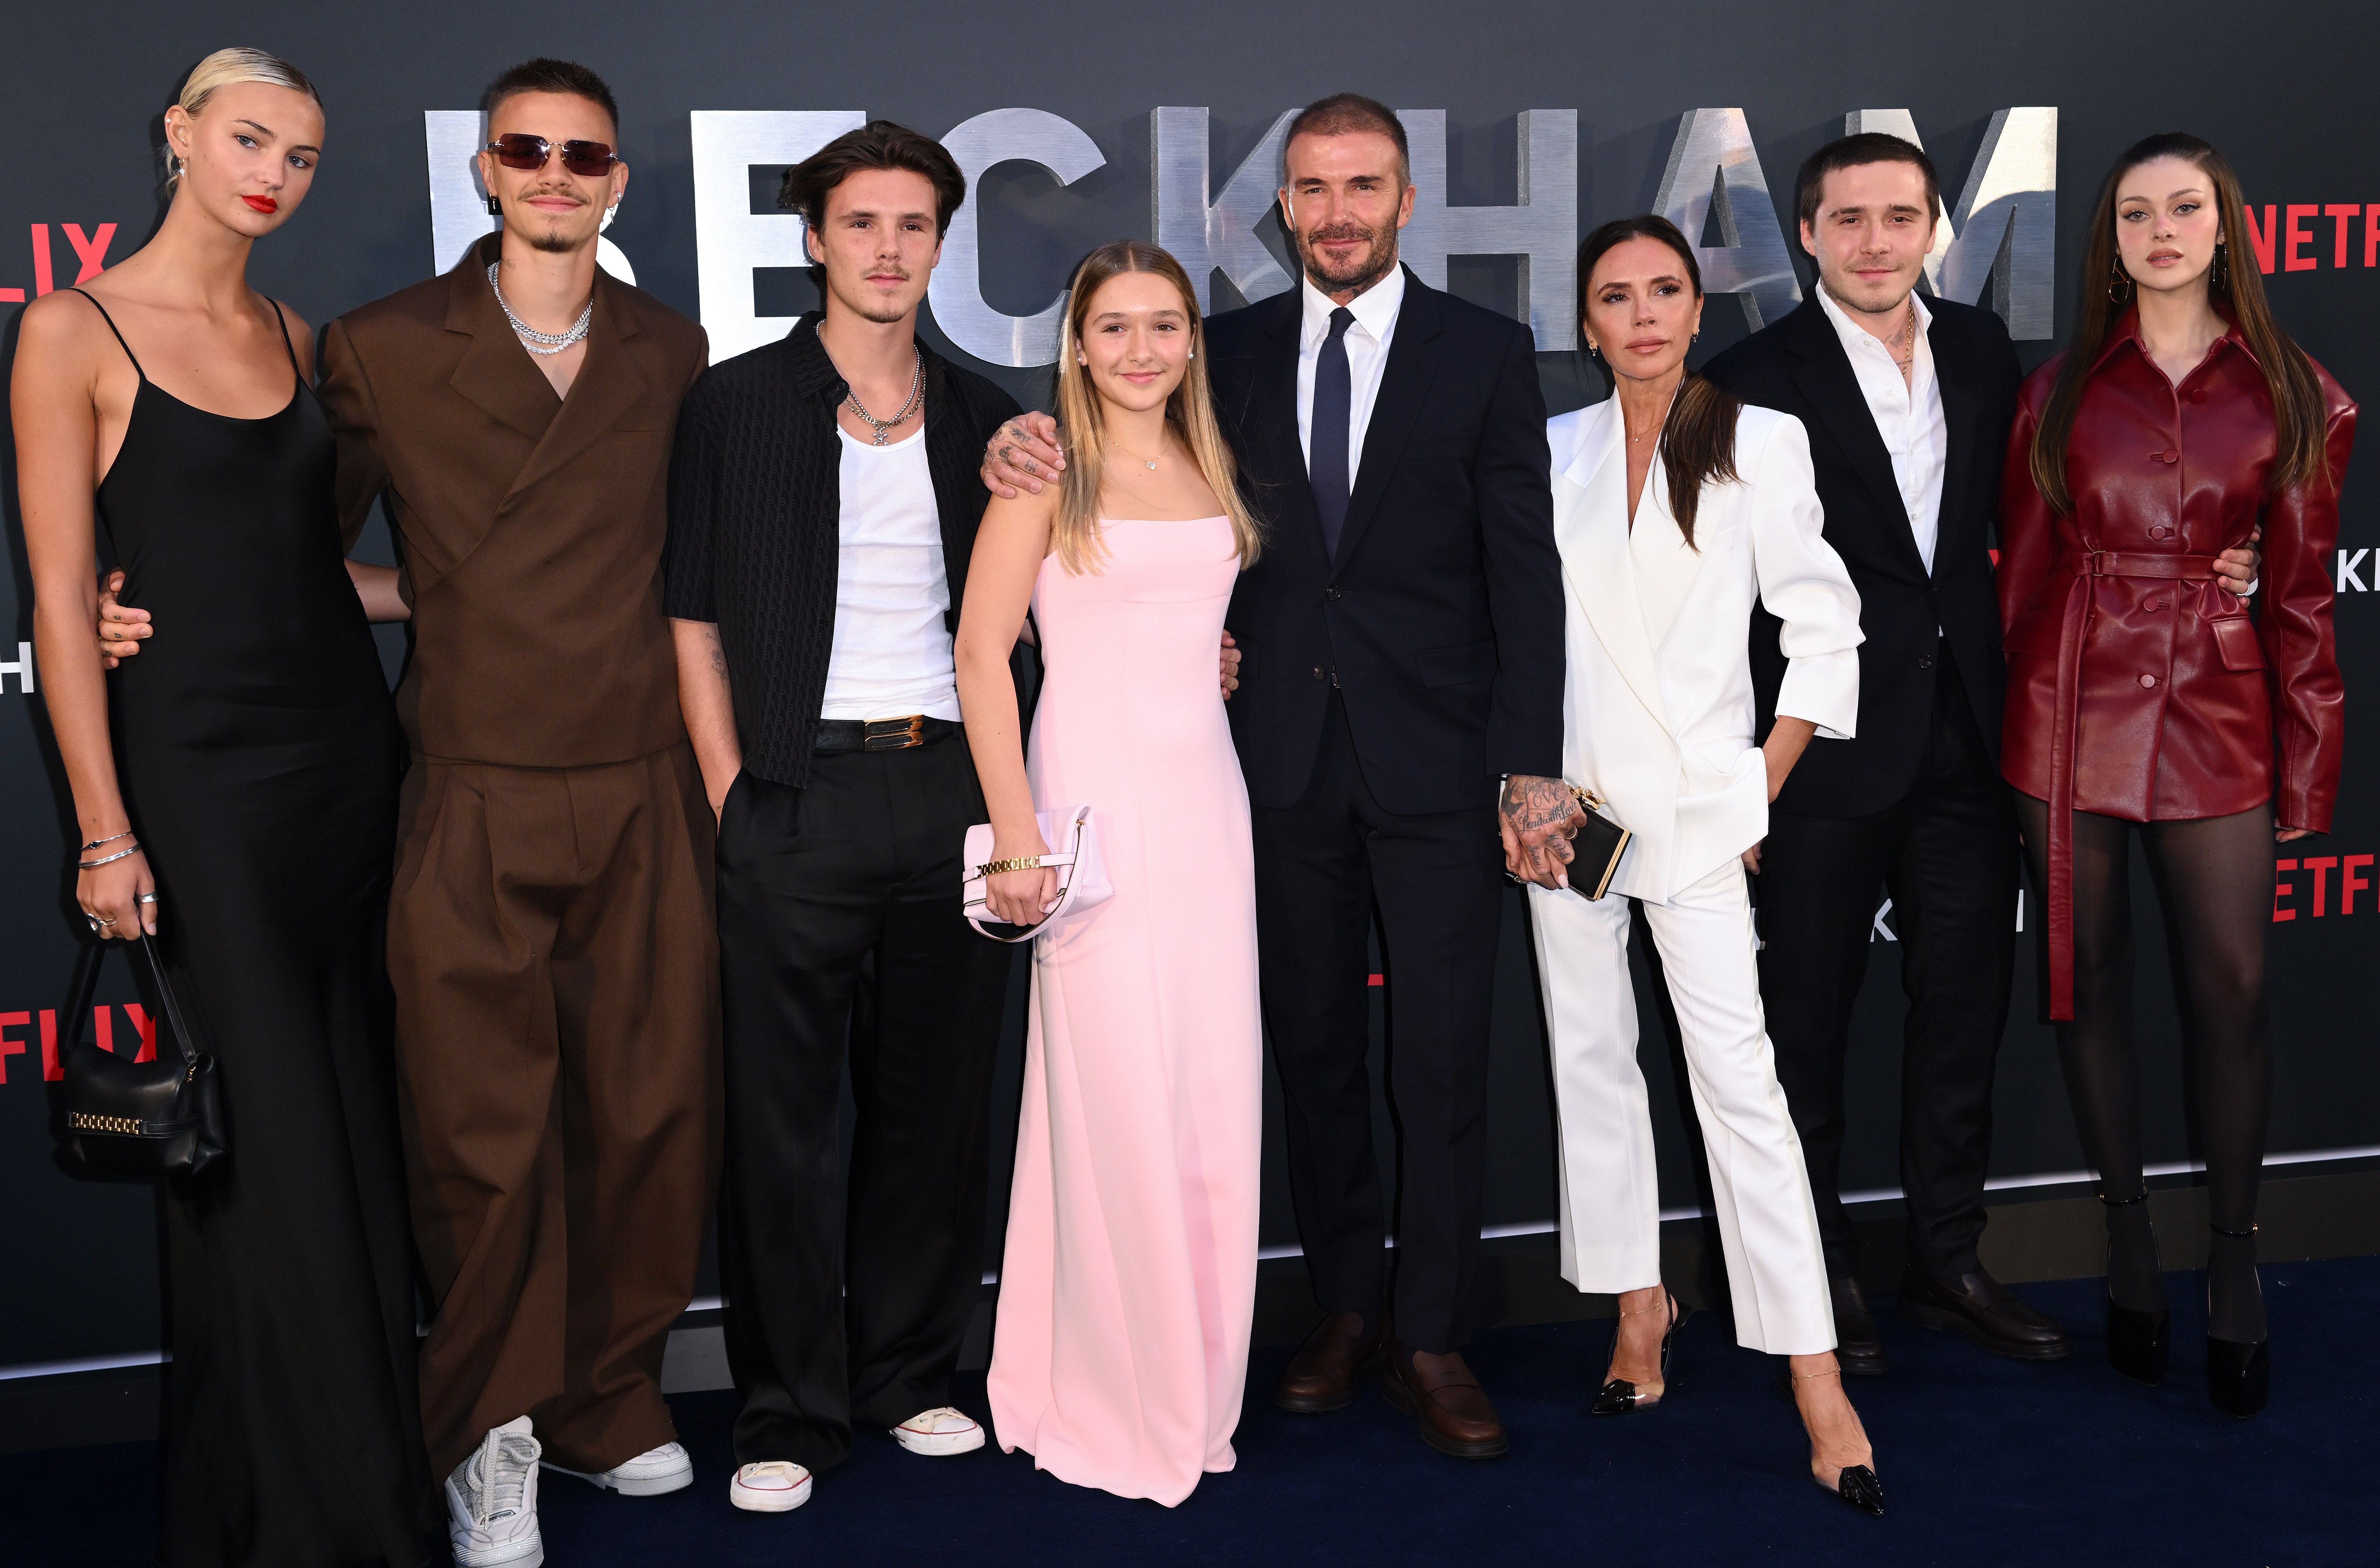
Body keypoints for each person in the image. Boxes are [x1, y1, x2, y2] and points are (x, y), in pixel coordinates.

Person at [100, 57, 716, 1568]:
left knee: (646, 1115)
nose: (558, 174)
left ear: (619, 181)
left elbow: (719, 557)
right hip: (466, 785)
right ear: (486, 174)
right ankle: (489, 1427)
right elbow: (293, 551)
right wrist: (144, 604)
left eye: (586, 155)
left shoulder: (673, 347)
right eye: (529, 151)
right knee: (482, 1134)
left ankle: (607, 1397)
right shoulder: (375, 349)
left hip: (640, 781)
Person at [983, 93, 1577, 1461]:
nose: (1338, 212)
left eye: (1363, 186)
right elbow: (1116, 468)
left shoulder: (1482, 354)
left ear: (1407, 199)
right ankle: (1345, 1311)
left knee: (1437, 1065)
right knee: (1310, 1056)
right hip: (1269, 776)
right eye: (1313, 189)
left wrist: (1528, 768)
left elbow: (1522, 576)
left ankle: (1431, 1333)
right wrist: (1005, 442)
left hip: (1438, 772)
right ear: (1283, 206)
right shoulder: (1221, 353)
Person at [1699, 132, 2255, 1374]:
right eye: (1849, 221)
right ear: (1806, 235)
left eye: (1901, 217)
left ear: (1934, 228)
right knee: (1807, 1028)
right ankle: (1814, 1272)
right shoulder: (1745, 376)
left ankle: (1948, 1259)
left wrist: (2235, 556)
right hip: (1821, 752)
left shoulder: (1990, 354)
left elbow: (2089, 505)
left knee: (1963, 1015)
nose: (1877, 241)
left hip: (1972, 739)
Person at [16, 47, 433, 1565]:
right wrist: (103, 828)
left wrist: (474, 598)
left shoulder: (295, 333)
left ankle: (308, 1483)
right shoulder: (73, 328)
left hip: (346, 768)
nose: (275, 171)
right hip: (197, 786)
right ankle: (322, 1524)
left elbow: (312, 572)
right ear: (178, 136)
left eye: (304, 155)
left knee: (347, 1123)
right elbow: (66, 600)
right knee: (258, 1147)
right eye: (249, 137)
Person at [662, 121, 1026, 1515]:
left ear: (942, 243)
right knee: (782, 1127)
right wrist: (733, 797)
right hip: (791, 796)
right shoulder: (736, 406)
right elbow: (691, 619)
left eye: (914, 225)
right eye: (861, 223)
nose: (888, 250)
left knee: (932, 1116)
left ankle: (913, 1375)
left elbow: (1046, 615)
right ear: (814, 240)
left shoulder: (994, 418)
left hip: (948, 794)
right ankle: (785, 1406)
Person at [1997, 132, 2352, 1418]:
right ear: (2114, 237)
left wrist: (2307, 778)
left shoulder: (2298, 395)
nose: (2160, 229)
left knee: (2235, 992)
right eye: (2136, 211)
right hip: (2068, 706)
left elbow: (2305, 606)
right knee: (2086, 984)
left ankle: (2236, 1261)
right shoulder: (2058, 394)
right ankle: (2131, 1242)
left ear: (2225, 225)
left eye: (2184, 207)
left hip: (2219, 709)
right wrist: (2016, 735)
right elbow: (2023, 582)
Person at [1530, 215, 1879, 1515]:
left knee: (1742, 1084)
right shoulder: (1552, 450)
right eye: (1615, 297)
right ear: (1587, 321)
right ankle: (1638, 1303)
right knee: (1590, 1062)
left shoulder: (1756, 436)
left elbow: (1823, 621)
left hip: (1698, 813)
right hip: (1569, 816)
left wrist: (1761, 787)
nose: (1643, 316)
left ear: (1696, 304)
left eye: (1665, 291)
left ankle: (1816, 1375)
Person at [958, 239, 1265, 1506]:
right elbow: (981, 657)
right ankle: (1105, 1389)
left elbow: (1187, 624)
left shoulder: (1212, 461)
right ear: (1077, 344)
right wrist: (1019, 838)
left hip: (1209, 806)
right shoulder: (1044, 470)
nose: (1141, 348)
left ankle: (1194, 1386)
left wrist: (1211, 657)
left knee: (1208, 1100)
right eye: (1116, 327)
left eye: (1166, 325)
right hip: (1087, 811)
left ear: (1192, 341)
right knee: (1112, 1104)